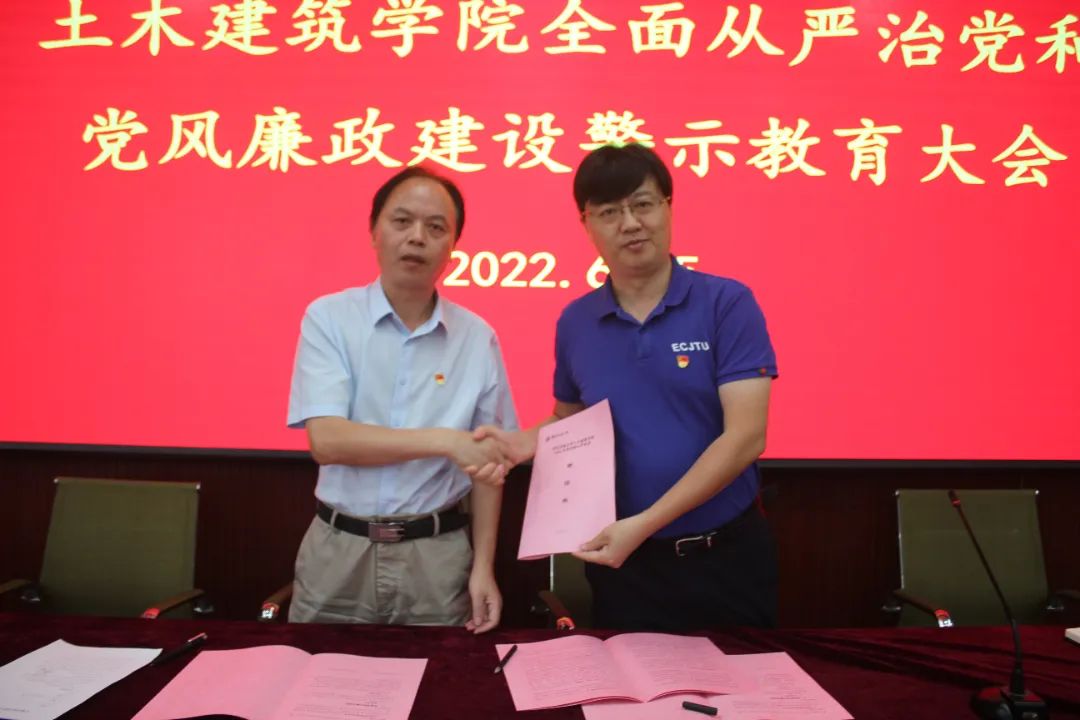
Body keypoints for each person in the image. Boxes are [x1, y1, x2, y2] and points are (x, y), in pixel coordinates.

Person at [471, 144, 779, 631]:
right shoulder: (576, 322)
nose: (630, 223)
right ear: (587, 224)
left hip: (725, 556)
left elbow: (746, 438)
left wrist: (645, 523)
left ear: (668, 207)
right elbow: (569, 417)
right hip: (625, 567)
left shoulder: (726, 303)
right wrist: (518, 445)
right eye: (610, 212)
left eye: (642, 204)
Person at [287, 166, 516, 633]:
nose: (417, 238)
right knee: (321, 674)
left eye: (436, 228)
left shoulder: (477, 338)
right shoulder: (329, 318)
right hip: (339, 549)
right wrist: (446, 441)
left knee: (441, 676)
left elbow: (489, 465)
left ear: (453, 247)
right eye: (402, 221)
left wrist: (483, 567)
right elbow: (327, 441)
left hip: (437, 555)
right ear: (374, 231)